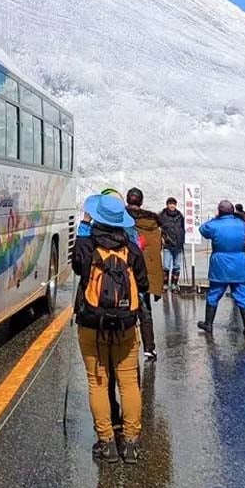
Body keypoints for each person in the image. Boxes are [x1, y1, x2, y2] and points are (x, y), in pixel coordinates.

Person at [72, 193, 148, 464]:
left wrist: (84, 226)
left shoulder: (87, 244)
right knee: (128, 382)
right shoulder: (131, 247)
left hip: (92, 323)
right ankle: (131, 443)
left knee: (98, 381)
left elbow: (78, 268)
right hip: (125, 324)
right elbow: (143, 283)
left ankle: (106, 443)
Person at [198, 200, 245, 336]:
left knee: (214, 294)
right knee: (243, 296)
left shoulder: (214, 224)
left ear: (219, 211)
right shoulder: (241, 224)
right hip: (239, 263)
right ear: (232, 211)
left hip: (220, 263)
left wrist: (215, 218)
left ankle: (208, 324)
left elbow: (202, 229)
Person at [126, 188, 163, 362]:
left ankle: (125, 347)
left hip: (123, 272)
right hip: (143, 274)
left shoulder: (121, 219)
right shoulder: (152, 225)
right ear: (141, 202)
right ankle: (149, 348)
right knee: (145, 310)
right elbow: (156, 251)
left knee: (122, 308)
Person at [159, 197, 185, 292]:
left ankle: (174, 285)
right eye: (170, 204)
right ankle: (165, 284)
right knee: (166, 266)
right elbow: (158, 228)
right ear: (167, 205)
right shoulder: (162, 215)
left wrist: (183, 239)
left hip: (178, 245)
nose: (172, 206)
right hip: (168, 245)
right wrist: (162, 239)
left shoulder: (179, 215)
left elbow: (183, 228)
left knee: (177, 266)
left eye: (173, 204)